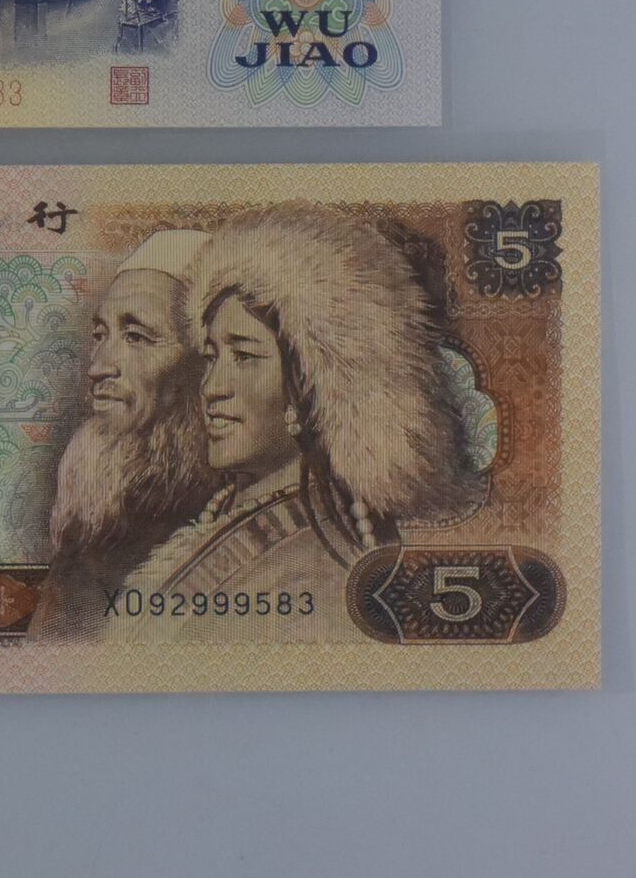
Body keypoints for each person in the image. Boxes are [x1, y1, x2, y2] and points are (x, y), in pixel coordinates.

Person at [110, 206, 477, 641]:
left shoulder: (320, 568)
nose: (211, 388)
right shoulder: (234, 516)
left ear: (310, 385)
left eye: (244, 356)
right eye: (211, 357)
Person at [30, 230, 222, 637]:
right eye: (100, 335)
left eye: (136, 337)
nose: (98, 367)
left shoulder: (224, 524)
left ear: (204, 365)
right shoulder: (91, 523)